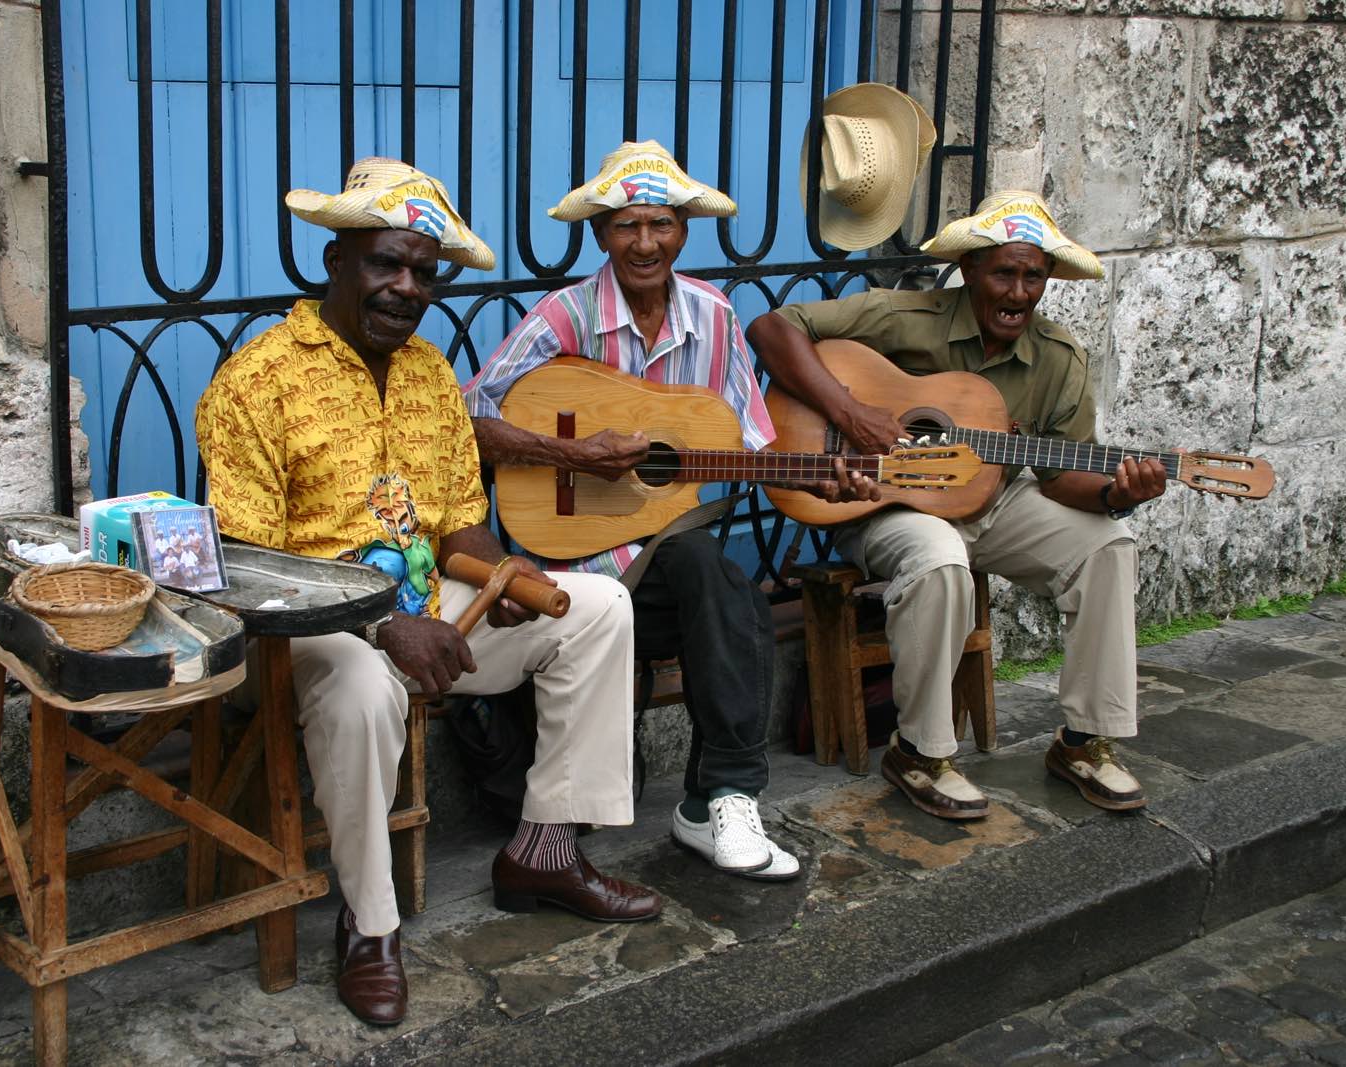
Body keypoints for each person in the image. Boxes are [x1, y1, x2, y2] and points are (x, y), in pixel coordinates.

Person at [195, 158, 659, 1029]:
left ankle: (545, 848)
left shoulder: (429, 375)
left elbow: (456, 527)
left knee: (599, 607)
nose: (406, 287)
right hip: (309, 629)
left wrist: (500, 576)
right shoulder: (256, 383)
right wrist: (383, 624)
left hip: (423, 611)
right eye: (385, 264)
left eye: (423, 270)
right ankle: (371, 925)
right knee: (368, 682)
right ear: (336, 262)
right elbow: (251, 563)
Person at [464, 140, 877, 883]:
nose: (645, 242)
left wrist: (826, 479)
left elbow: (753, 451)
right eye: (626, 226)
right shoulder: (565, 317)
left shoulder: (714, 319)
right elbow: (468, 420)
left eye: (660, 224)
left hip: (663, 572)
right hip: (570, 573)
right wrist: (571, 454)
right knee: (718, 586)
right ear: (599, 234)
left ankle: (721, 797)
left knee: (719, 581)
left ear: (684, 229)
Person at [747, 190, 1167, 819]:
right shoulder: (907, 318)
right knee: (940, 558)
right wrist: (850, 411)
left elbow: (1058, 478)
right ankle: (919, 753)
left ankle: (1085, 742)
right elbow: (772, 328)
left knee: (1108, 544)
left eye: (1034, 276)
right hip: (887, 506)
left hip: (993, 504)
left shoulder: (1059, 359)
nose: (1018, 293)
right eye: (1004, 272)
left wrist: (1116, 492)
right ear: (970, 269)